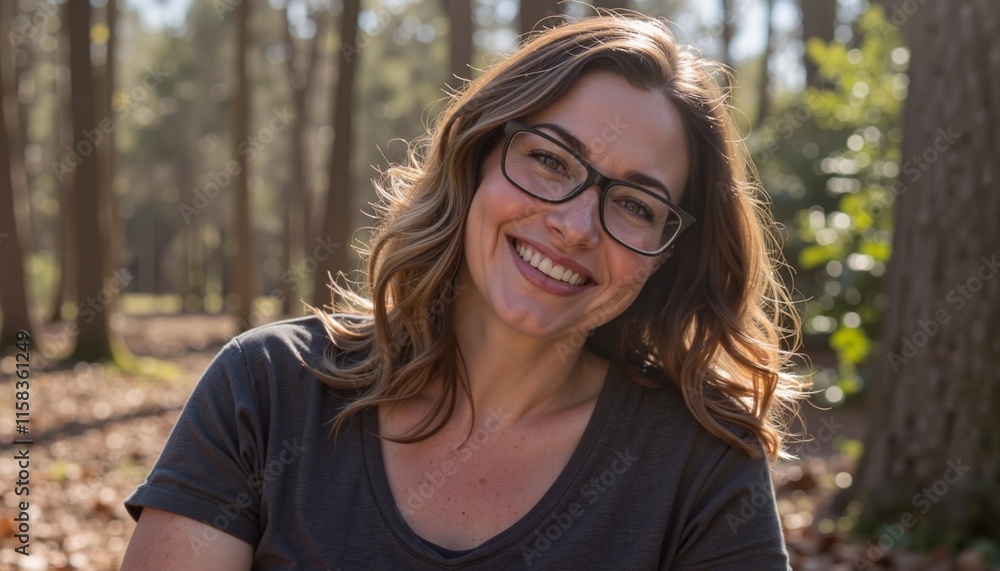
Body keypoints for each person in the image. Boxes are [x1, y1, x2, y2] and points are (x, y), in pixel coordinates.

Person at [122, 12, 805, 570]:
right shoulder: (268, 389)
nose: (573, 226)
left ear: (666, 257)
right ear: (476, 158)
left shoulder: (698, 464)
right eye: (548, 159)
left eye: (634, 205)